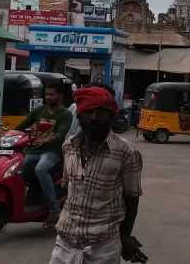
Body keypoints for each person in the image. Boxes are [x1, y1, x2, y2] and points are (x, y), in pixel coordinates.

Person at [50, 86, 147, 264]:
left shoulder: (126, 152)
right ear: (79, 114)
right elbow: (70, 189)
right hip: (65, 243)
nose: (94, 118)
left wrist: (124, 237)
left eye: (101, 112)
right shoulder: (68, 147)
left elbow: (132, 200)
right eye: (88, 111)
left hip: (103, 248)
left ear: (110, 115)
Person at [17, 83, 73, 227]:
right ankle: (33, 196)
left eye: (51, 94)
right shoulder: (39, 111)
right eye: (46, 94)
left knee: (40, 169)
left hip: (52, 152)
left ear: (60, 96)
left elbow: (61, 134)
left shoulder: (65, 114)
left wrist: (48, 139)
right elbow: (21, 126)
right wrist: (6, 136)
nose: (48, 97)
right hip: (33, 151)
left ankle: (54, 210)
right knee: (18, 168)